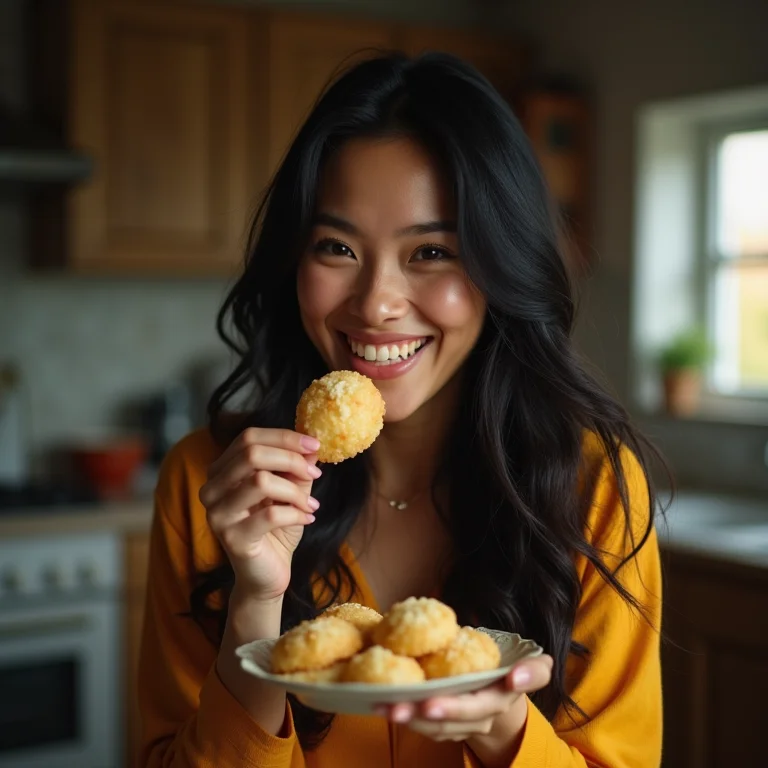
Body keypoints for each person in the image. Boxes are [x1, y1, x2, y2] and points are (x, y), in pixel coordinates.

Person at [138, 52, 665, 768]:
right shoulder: (211, 485)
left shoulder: (593, 492)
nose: (377, 303)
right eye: (336, 246)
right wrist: (254, 611)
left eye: (431, 252)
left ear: (499, 265)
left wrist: (503, 725)